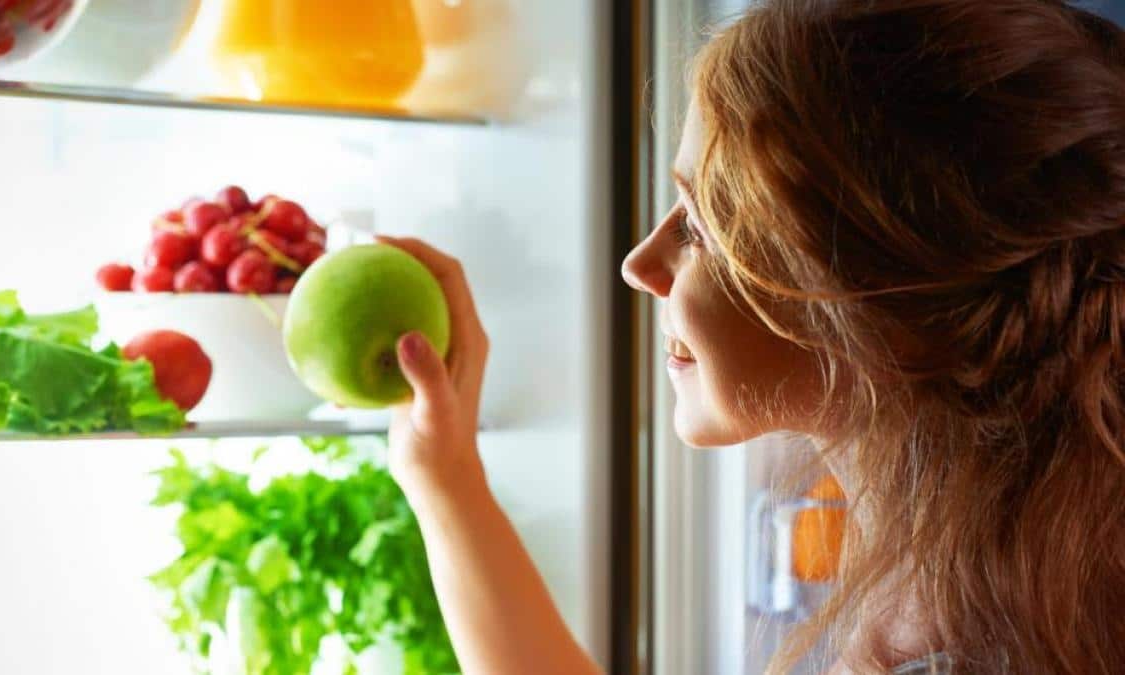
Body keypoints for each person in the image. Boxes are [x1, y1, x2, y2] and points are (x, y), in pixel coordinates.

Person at [375, 0, 1125, 672]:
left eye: (701, 225)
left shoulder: (957, 648)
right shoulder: (1014, 580)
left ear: (871, 289)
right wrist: (446, 475)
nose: (640, 266)